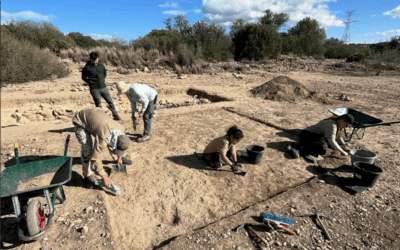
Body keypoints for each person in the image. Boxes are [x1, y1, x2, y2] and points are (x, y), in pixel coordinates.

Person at [72, 107, 132, 189]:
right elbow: (95, 158)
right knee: (87, 148)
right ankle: (87, 176)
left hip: (96, 118)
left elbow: (116, 142)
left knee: (112, 142)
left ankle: (116, 159)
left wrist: (119, 157)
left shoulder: (121, 130)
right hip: (81, 119)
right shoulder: (103, 139)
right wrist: (104, 176)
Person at [288, 114, 355, 159]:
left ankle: (300, 145)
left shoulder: (338, 124)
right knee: (322, 148)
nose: (346, 127)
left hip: (316, 136)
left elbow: (339, 137)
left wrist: (344, 145)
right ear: (342, 120)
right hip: (307, 134)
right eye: (346, 125)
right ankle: (298, 149)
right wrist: (343, 152)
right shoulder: (332, 125)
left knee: (327, 145)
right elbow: (332, 141)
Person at [82, 52, 122, 121]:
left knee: (110, 102)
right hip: (94, 89)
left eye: (95, 59)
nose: (94, 61)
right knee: (98, 105)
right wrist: (90, 82)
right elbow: (84, 77)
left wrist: (102, 79)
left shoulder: (101, 65)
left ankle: (116, 116)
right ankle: (102, 119)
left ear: (97, 58)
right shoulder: (86, 67)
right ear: (90, 59)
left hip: (103, 87)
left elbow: (104, 73)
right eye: (92, 60)